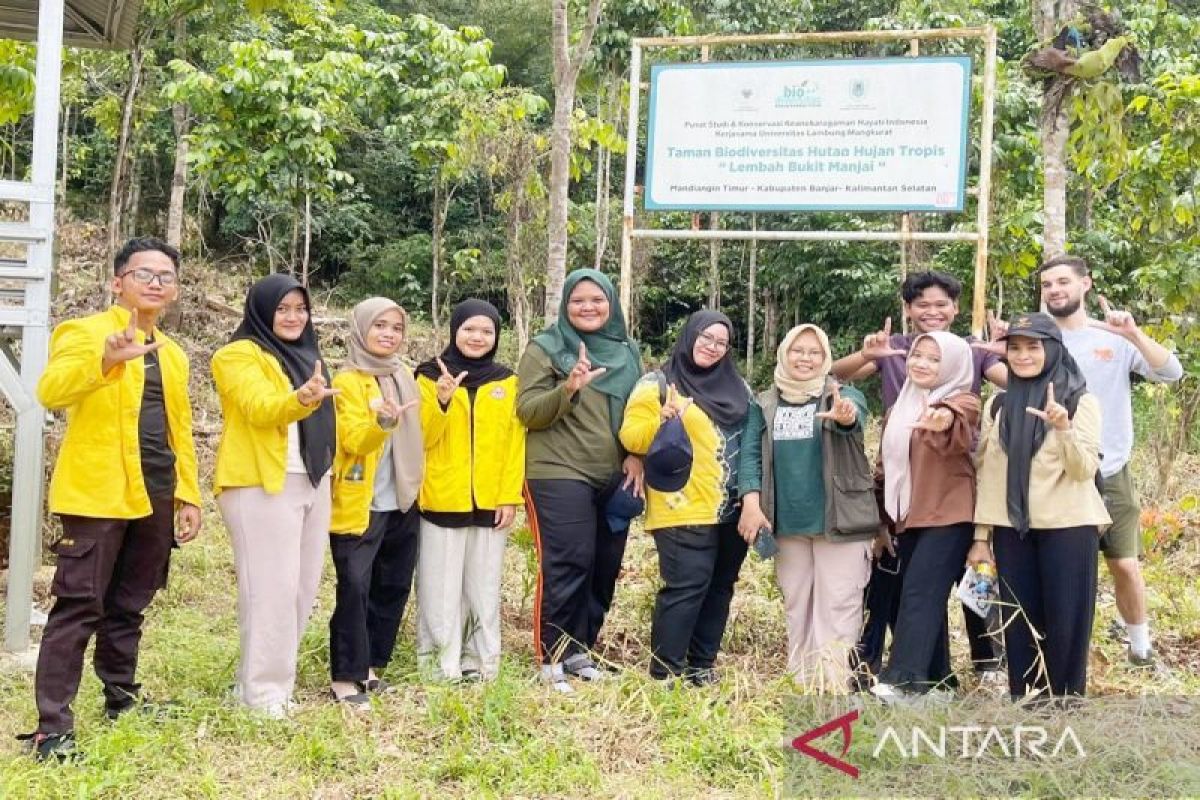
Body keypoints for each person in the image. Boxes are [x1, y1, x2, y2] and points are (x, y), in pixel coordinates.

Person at [20, 238, 201, 761]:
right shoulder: (83, 332)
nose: (155, 282)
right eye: (144, 273)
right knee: (78, 607)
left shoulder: (174, 354)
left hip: (156, 493)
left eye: (165, 276)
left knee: (130, 603)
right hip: (97, 494)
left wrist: (187, 495)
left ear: (175, 289)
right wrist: (104, 361)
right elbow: (51, 391)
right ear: (117, 281)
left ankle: (121, 696)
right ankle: (52, 727)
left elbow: (180, 431)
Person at [832, 270, 1005, 685]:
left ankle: (987, 665)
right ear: (908, 310)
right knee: (915, 590)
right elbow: (836, 374)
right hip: (902, 485)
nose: (932, 312)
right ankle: (938, 677)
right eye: (922, 304)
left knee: (964, 582)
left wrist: (1009, 350)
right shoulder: (895, 351)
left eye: (941, 304)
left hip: (951, 481)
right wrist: (869, 354)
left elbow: (1000, 391)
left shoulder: (971, 353)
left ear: (957, 308)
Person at [1038, 255, 1183, 666]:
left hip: (1110, 467)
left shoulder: (1114, 337)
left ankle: (1140, 646)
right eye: (1048, 284)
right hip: (1057, 469)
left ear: (1086, 284)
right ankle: (1064, 652)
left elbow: (1172, 373)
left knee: (1124, 562)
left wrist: (1135, 336)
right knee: (1067, 570)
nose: (1055, 290)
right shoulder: (1040, 337)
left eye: (1063, 281)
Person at [212, 274, 337, 718]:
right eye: (282, 309)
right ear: (262, 311)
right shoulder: (236, 356)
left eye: (300, 309)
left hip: (312, 479)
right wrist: (300, 399)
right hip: (262, 483)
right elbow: (259, 407)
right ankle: (263, 695)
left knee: (302, 588)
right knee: (271, 590)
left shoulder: (308, 357)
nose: (292, 317)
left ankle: (264, 685)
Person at [968, 313, 1109, 699]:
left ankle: (1064, 704)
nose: (1024, 356)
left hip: (1069, 526)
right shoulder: (998, 405)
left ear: (1052, 350)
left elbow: (1083, 470)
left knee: (1067, 622)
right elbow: (989, 474)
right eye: (1015, 348)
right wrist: (981, 536)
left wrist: (1062, 428)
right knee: (1019, 621)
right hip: (1013, 529)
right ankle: (1028, 701)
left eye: (1033, 347)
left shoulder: (1080, 401)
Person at [517, 269, 644, 693]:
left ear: (611, 303)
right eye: (578, 300)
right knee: (568, 562)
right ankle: (549, 657)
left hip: (614, 475)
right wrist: (568, 388)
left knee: (602, 565)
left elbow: (638, 412)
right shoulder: (547, 348)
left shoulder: (628, 353)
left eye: (596, 299)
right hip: (557, 472)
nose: (587, 307)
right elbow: (528, 411)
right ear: (565, 304)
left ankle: (578, 651)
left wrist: (636, 455)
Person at [739, 324, 878, 693]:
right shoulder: (765, 403)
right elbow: (751, 454)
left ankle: (832, 684)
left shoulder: (841, 393)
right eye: (798, 351)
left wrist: (845, 415)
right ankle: (801, 681)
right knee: (797, 603)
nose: (805, 358)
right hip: (787, 521)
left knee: (839, 604)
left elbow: (853, 419)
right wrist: (750, 501)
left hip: (839, 519)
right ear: (785, 353)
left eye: (814, 352)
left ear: (825, 358)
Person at [620, 311, 755, 685]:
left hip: (731, 508)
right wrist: (662, 419)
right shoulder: (659, 383)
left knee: (720, 586)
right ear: (690, 335)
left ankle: (701, 666)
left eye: (720, 342)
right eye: (705, 337)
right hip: (681, 504)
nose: (711, 347)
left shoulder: (739, 389)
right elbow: (631, 437)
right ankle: (666, 671)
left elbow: (752, 441)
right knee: (686, 587)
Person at [866, 333, 981, 701]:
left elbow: (958, 419)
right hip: (908, 517)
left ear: (951, 365)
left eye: (934, 359)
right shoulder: (898, 408)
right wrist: (882, 524)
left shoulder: (963, 399)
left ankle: (903, 679)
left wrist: (942, 417)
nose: (922, 364)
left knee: (918, 592)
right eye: (918, 356)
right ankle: (938, 681)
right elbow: (885, 470)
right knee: (921, 595)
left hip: (949, 515)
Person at [414, 299, 524, 682]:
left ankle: (481, 664)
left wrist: (510, 496)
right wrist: (443, 399)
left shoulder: (506, 380)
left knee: (483, 586)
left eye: (486, 331)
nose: (477, 337)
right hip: (442, 496)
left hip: (491, 500)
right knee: (439, 587)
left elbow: (515, 443)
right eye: (469, 329)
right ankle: (439, 667)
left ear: (496, 337)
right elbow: (421, 437)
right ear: (454, 331)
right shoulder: (429, 375)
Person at [326, 298, 423, 706]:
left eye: (396, 328)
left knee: (393, 584)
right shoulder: (347, 380)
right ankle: (344, 676)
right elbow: (351, 439)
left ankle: (370, 666)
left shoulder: (403, 376)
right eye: (380, 325)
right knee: (355, 586)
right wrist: (381, 422)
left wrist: (444, 402)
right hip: (360, 500)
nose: (388, 334)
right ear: (361, 328)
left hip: (402, 498)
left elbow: (423, 433)